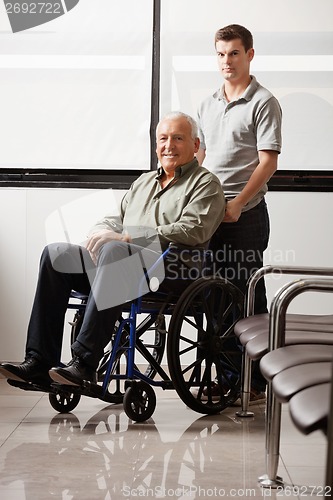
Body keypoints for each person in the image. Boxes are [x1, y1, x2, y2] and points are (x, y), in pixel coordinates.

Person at [0, 111, 226, 388]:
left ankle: (84, 363)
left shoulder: (207, 184)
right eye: (163, 139)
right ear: (156, 145)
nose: (169, 145)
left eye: (178, 138)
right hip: (121, 266)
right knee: (56, 254)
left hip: (172, 271)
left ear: (194, 144)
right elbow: (114, 220)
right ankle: (38, 362)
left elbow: (194, 230)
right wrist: (98, 234)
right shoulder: (143, 182)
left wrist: (128, 238)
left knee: (116, 251)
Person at [196, 24, 282, 402]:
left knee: (248, 299)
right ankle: (231, 379)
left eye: (233, 53)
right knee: (215, 298)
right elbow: (201, 157)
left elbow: (267, 163)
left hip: (245, 215)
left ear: (249, 54)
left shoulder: (263, 101)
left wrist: (237, 203)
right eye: (220, 54)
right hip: (209, 213)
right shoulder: (207, 102)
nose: (226, 61)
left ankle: (258, 382)